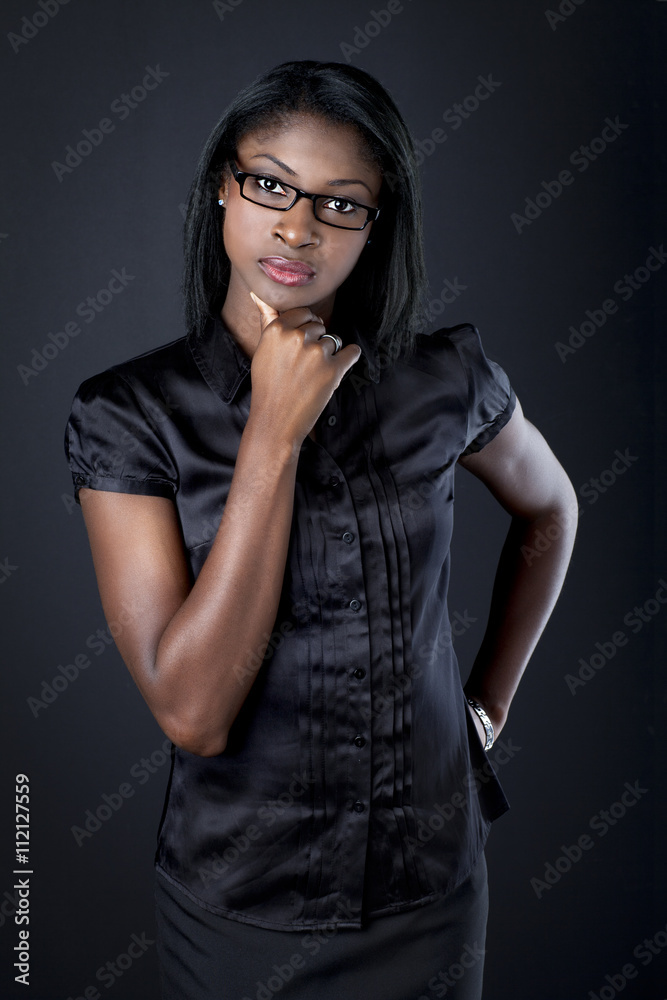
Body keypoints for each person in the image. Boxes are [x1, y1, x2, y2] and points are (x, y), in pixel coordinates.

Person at [64, 60, 577, 1000]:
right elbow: (192, 713)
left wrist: (489, 705)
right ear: (223, 182)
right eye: (269, 184)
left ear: (376, 226)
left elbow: (551, 508)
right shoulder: (129, 415)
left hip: (431, 891)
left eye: (341, 204)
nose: (296, 227)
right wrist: (272, 430)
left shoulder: (440, 379)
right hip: (242, 905)